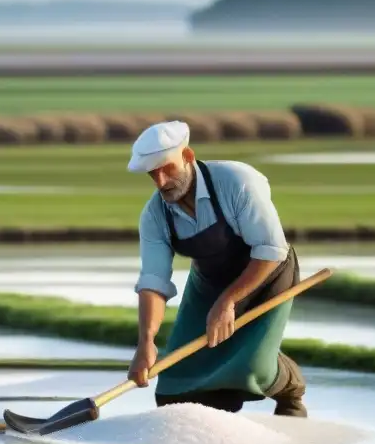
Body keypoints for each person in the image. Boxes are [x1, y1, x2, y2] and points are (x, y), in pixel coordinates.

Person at [126, 119, 307, 417]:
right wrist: (145, 343)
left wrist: (228, 301)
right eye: (151, 174)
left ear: (187, 156)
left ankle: (291, 385)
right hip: (210, 282)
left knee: (252, 369)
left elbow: (271, 250)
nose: (160, 182)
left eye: (166, 168)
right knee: (174, 384)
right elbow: (153, 282)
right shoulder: (154, 215)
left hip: (267, 273)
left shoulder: (236, 182)